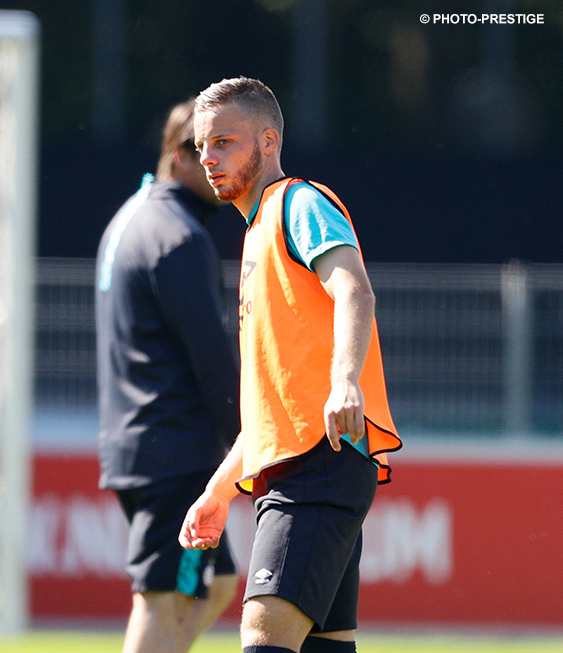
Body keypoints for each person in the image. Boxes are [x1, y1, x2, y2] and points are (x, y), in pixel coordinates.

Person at [179, 77, 402, 653]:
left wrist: (345, 381)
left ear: (269, 141)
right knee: (322, 646)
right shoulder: (255, 236)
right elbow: (272, 408)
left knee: (264, 638)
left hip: (318, 467)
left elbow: (355, 290)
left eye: (224, 142)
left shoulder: (297, 203)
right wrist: (220, 491)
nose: (208, 158)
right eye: (203, 146)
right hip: (302, 465)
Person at [95, 99, 241, 653]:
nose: (216, 168)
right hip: (173, 450)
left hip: (139, 441)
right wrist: (247, 444)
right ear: (178, 156)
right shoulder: (179, 236)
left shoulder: (132, 218)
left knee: (216, 581)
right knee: (163, 598)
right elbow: (211, 357)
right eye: (206, 152)